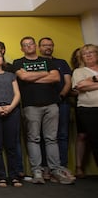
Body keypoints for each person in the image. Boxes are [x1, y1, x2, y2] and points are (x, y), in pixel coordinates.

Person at [12, 36, 74, 185]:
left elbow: (56, 78)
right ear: (22, 49)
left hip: (51, 104)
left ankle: (54, 170)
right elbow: (23, 76)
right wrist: (45, 74)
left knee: (51, 138)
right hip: (30, 105)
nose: (28, 46)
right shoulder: (18, 62)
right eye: (25, 45)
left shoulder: (47, 60)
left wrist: (32, 77)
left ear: (35, 46)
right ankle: (37, 171)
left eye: (31, 44)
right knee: (33, 138)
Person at [0, 40, 27, 181]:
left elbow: (18, 94)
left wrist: (10, 107)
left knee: (11, 145)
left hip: (11, 111)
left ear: (3, 59)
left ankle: (14, 176)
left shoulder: (11, 75)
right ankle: (1, 176)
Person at [38, 37, 72, 178]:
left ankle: (61, 167)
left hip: (61, 102)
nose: (48, 47)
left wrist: (61, 96)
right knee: (43, 136)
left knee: (62, 135)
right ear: (39, 47)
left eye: (50, 45)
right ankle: (46, 167)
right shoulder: (37, 63)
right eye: (45, 45)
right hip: (42, 103)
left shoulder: (61, 63)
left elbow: (67, 82)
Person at [72, 44, 98, 167]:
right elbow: (80, 86)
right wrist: (95, 78)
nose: (88, 55)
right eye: (85, 54)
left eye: (91, 52)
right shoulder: (79, 71)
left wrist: (90, 82)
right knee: (95, 140)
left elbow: (85, 85)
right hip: (89, 109)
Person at [70, 48, 87, 178]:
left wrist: (89, 83)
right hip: (83, 107)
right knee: (82, 136)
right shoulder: (76, 72)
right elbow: (77, 88)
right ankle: (79, 167)